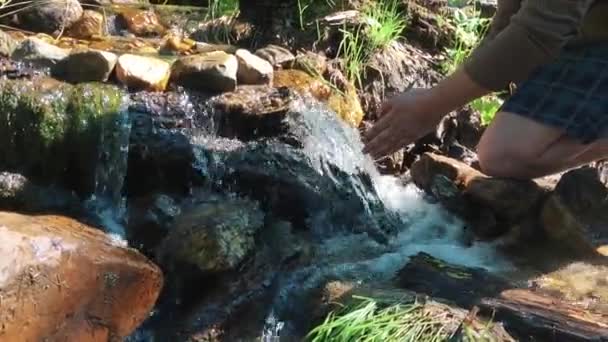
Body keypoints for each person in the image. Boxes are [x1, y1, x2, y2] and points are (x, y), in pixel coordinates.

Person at [363, 0, 608, 180]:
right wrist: (436, 97)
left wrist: (434, 103)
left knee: (504, 154)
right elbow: (509, 23)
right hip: (586, 39)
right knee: (507, 150)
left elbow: (536, 36)